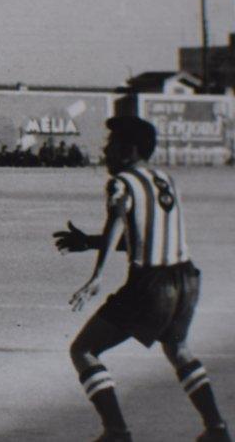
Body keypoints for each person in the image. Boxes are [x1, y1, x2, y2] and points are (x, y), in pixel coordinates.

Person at [55, 116, 231, 442]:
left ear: (128, 149)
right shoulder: (165, 178)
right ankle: (217, 428)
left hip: (152, 285)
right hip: (187, 279)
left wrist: (96, 276)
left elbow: (117, 223)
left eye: (111, 144)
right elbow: (146, 235)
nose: (106, 151)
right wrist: (89, 242)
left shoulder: (121, 182)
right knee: (179, 349)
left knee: (84, 350)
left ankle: (117, 430)